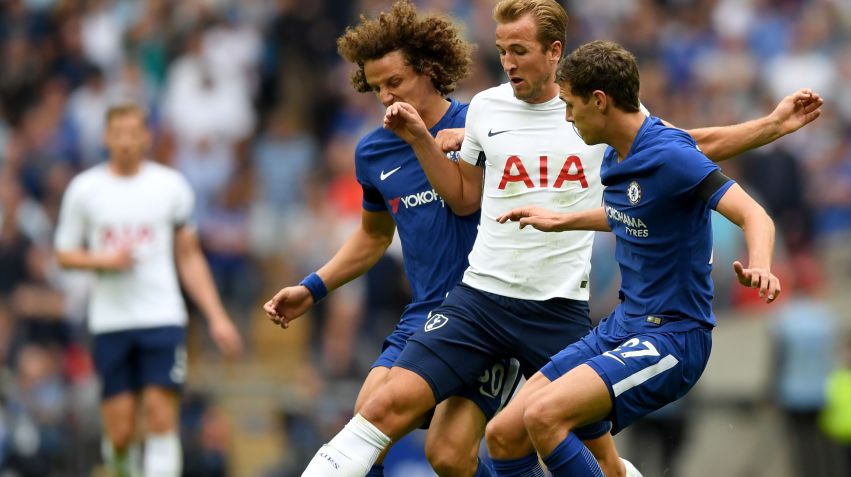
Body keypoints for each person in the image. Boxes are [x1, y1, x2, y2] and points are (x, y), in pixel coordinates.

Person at [299, 1, 822, 476]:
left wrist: (770, 128)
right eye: (502, 50)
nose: (508, 62)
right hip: (481, 299)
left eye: (519, 50)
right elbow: (463, 197)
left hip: (559, 308)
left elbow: (684, 148)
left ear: (554, 52)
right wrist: (426, 140)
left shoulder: (593, 114)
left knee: (584, 452)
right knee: (396, 415)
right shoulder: (486, 109)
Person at [490, 39, 782, 476]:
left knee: (544, 417)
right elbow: (632, 210)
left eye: (570, 105)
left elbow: (753, 214)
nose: (567, 116)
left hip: (672, 337)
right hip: (623, 326)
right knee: (503, 434)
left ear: (599, 100)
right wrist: (563, 220)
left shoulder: (670, 155)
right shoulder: (616, 151)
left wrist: (760, 264)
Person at [263, 3, 520, 476]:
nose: (385, 96)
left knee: (446, 454)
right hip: (425, 313)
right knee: (366, 421)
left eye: (395, 81)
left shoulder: (477, 127)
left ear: (428, 69)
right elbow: (372, 236)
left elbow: (469, 202)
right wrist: (312, 288)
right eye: (375, 86)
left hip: (486, 314)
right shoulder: (373, 151)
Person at [54, 102, 243, 477]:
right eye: (118, 133)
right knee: (120, 433)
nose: (125, 141)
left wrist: (216, 316)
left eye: (133, 133)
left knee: (160, 417)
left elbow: (189, 256)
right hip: (110, 321)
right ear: (106, 137)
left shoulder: (170, 186)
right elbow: (64, 254)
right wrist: (103, 260)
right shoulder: (84, 190)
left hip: (162, 316)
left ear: (147, 136)